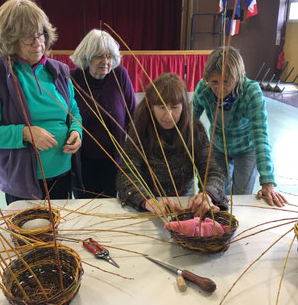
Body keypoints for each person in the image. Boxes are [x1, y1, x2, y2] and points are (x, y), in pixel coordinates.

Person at [0, 0, 82, 205]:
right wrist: (26, 133)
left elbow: (73, 111)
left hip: (62, 173)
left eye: (41, 35)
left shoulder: (60, 71)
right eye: (28, 38)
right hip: (23, 181)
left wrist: (76, 131)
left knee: (59, 233)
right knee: (29, 236)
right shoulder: (0, 75)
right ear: (10, 39)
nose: (38, 43)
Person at [116, 73, 227, 217]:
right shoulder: (138, 130)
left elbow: (212, 170)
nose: (168, 115)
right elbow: (127, 174)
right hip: (149, 207)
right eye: (162, 107)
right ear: (151, 106)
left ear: (183, 106)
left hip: (186, 206)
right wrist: (148, 201)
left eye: (175, 107)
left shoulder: (195, 130)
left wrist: (207, 195)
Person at [192, 46, 287, 207]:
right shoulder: (204, 88)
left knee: (241, 197)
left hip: (246, 149)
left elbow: (260, 136)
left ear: (237, 78)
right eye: (214, 82)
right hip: (217, 146)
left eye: (226, 81)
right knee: (216, 194)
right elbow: (189, 122)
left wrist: (267, 181)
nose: (220, 89)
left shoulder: (251, 92)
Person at [70, 29, 136, 198]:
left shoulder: (119, 75)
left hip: (114, 163)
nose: (106, 61)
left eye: (109, 56)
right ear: (87, 56)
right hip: (82, 163)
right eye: (99, 56)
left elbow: (133, 115)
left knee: (112, 206)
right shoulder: (72, 79)